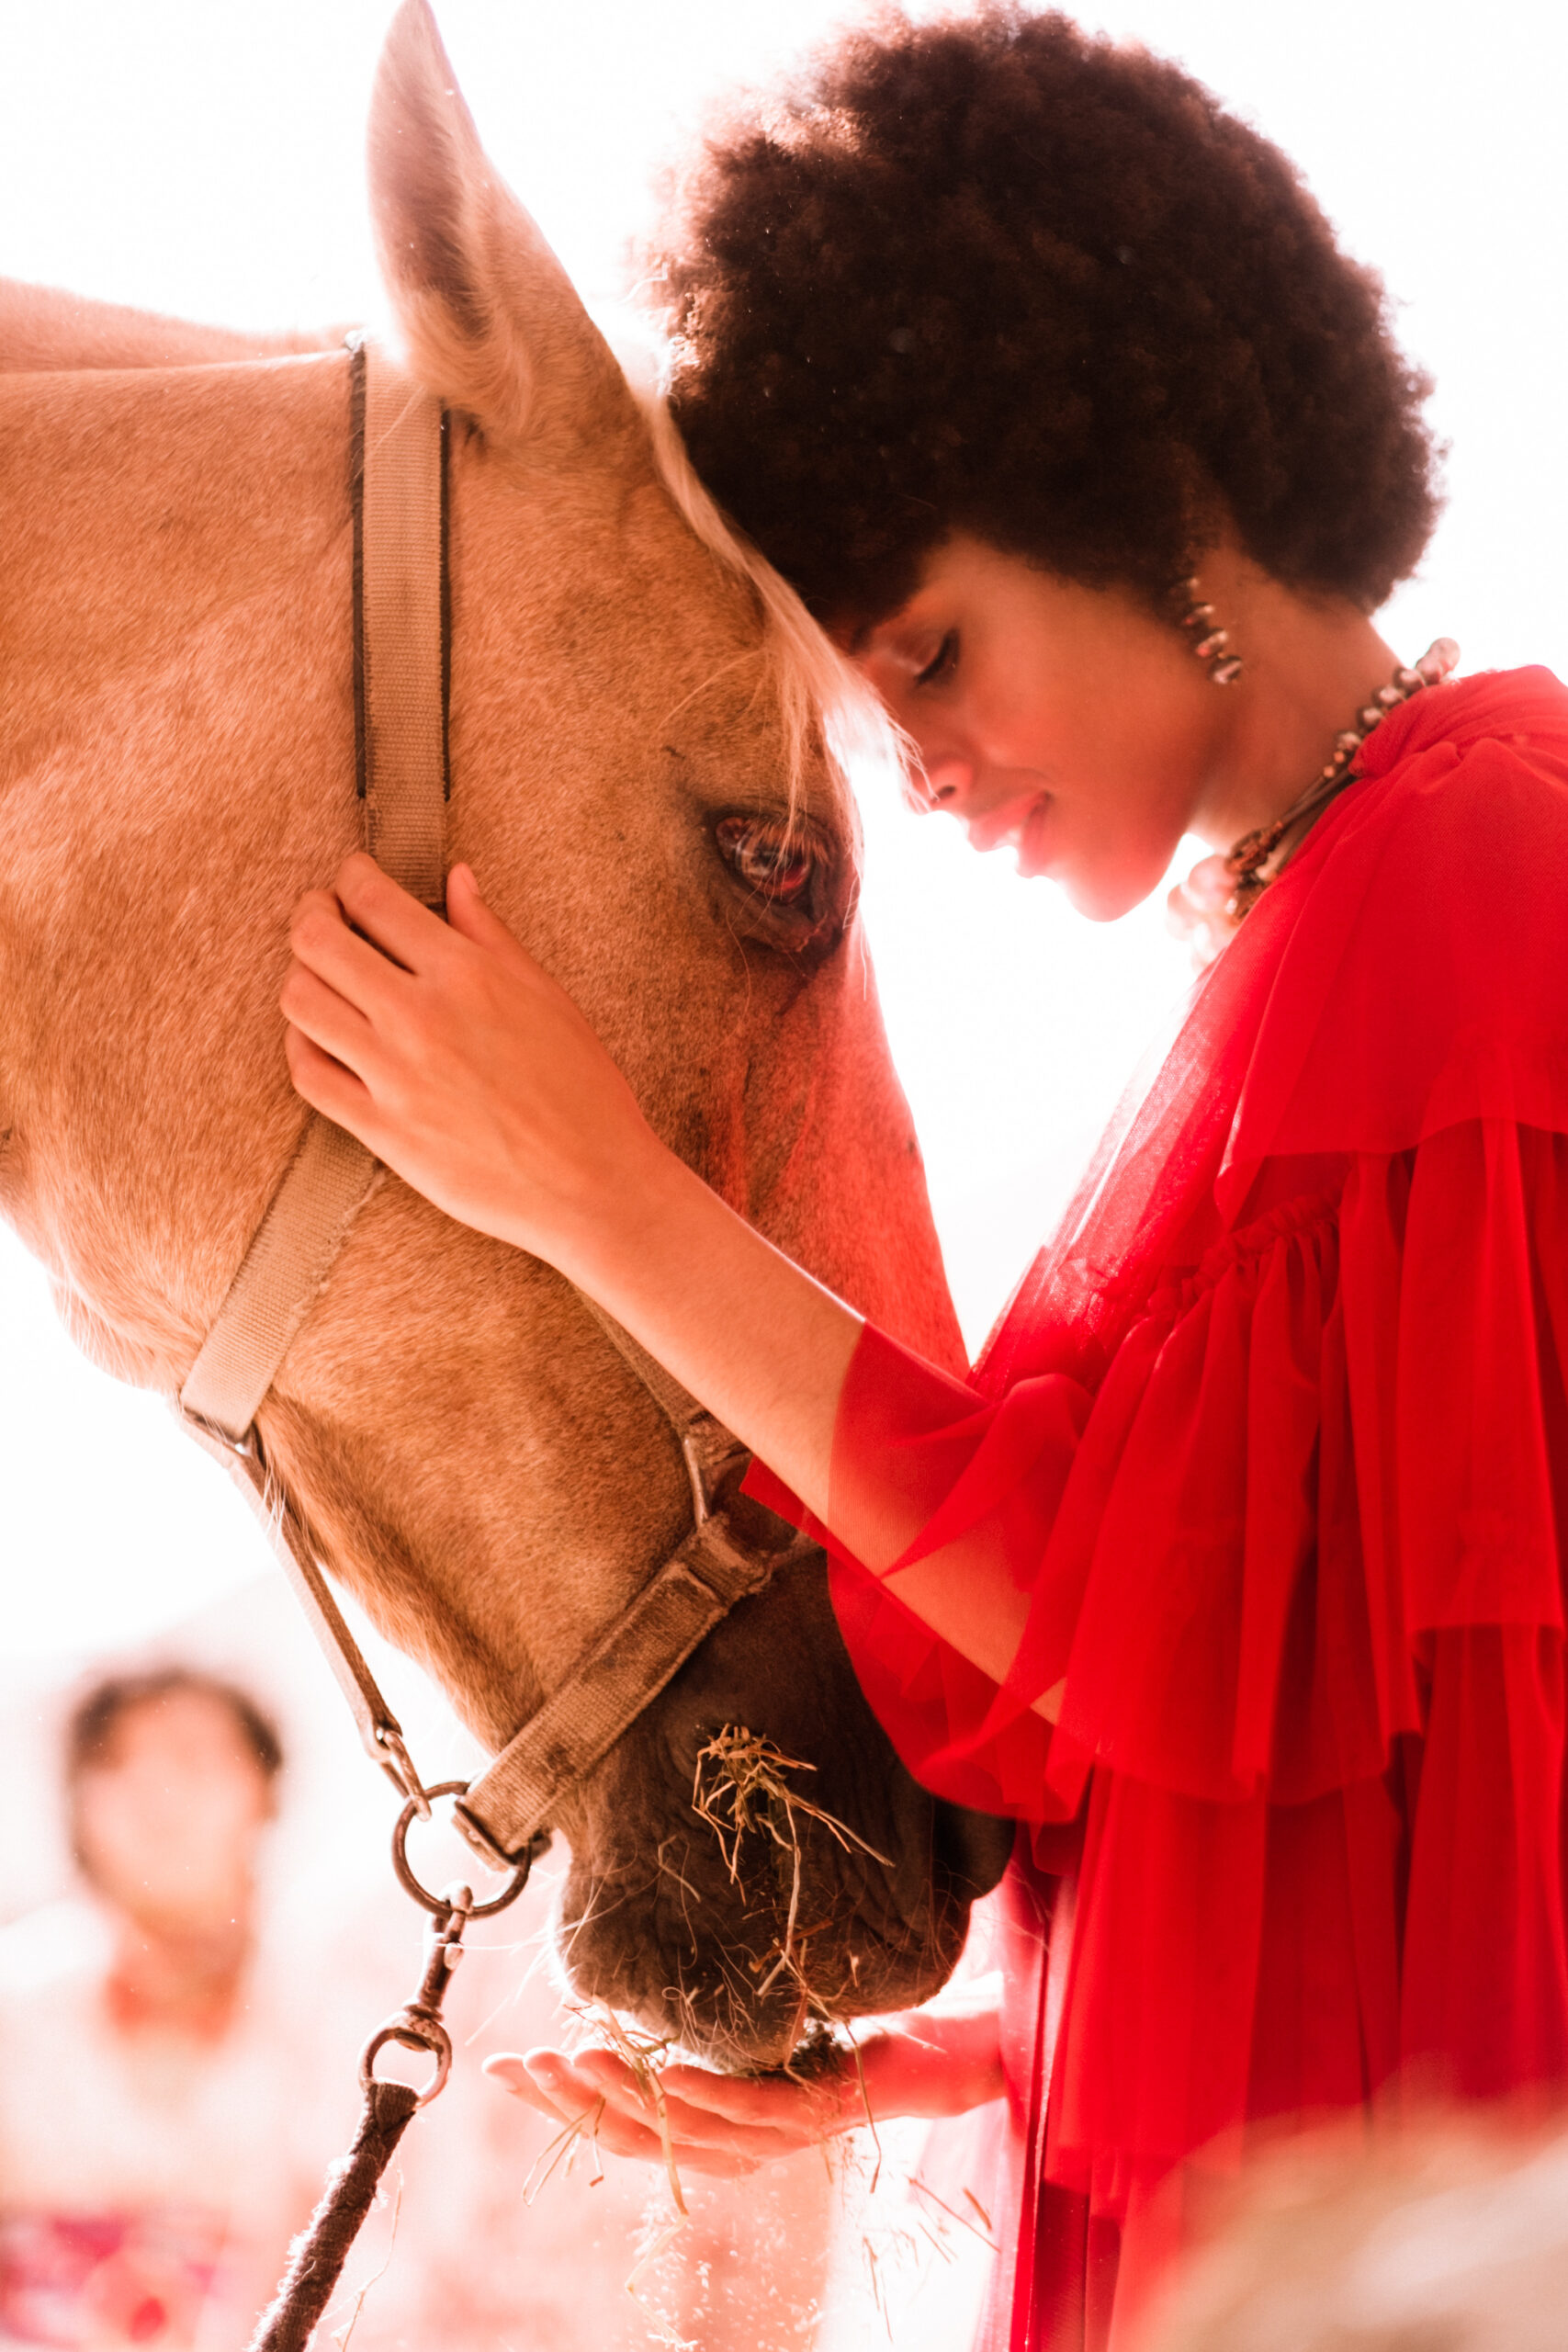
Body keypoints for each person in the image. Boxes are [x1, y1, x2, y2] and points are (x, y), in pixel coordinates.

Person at [273, 7, 1568, 2346]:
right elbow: (1295, 1774)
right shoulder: (1312, 920)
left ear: (1147, 483)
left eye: (937, 652)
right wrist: (958, 2063)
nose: (937, 777)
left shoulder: (1474, 872)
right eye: (891, 716)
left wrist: (599, 1188)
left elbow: (1175, 1635)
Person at [0, 1669, 321, 2350]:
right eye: (115, 1764)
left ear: (262, 1792)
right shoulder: (17, 2006)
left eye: (191, 1756)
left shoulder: (343, 2004)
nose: (153, 1794)